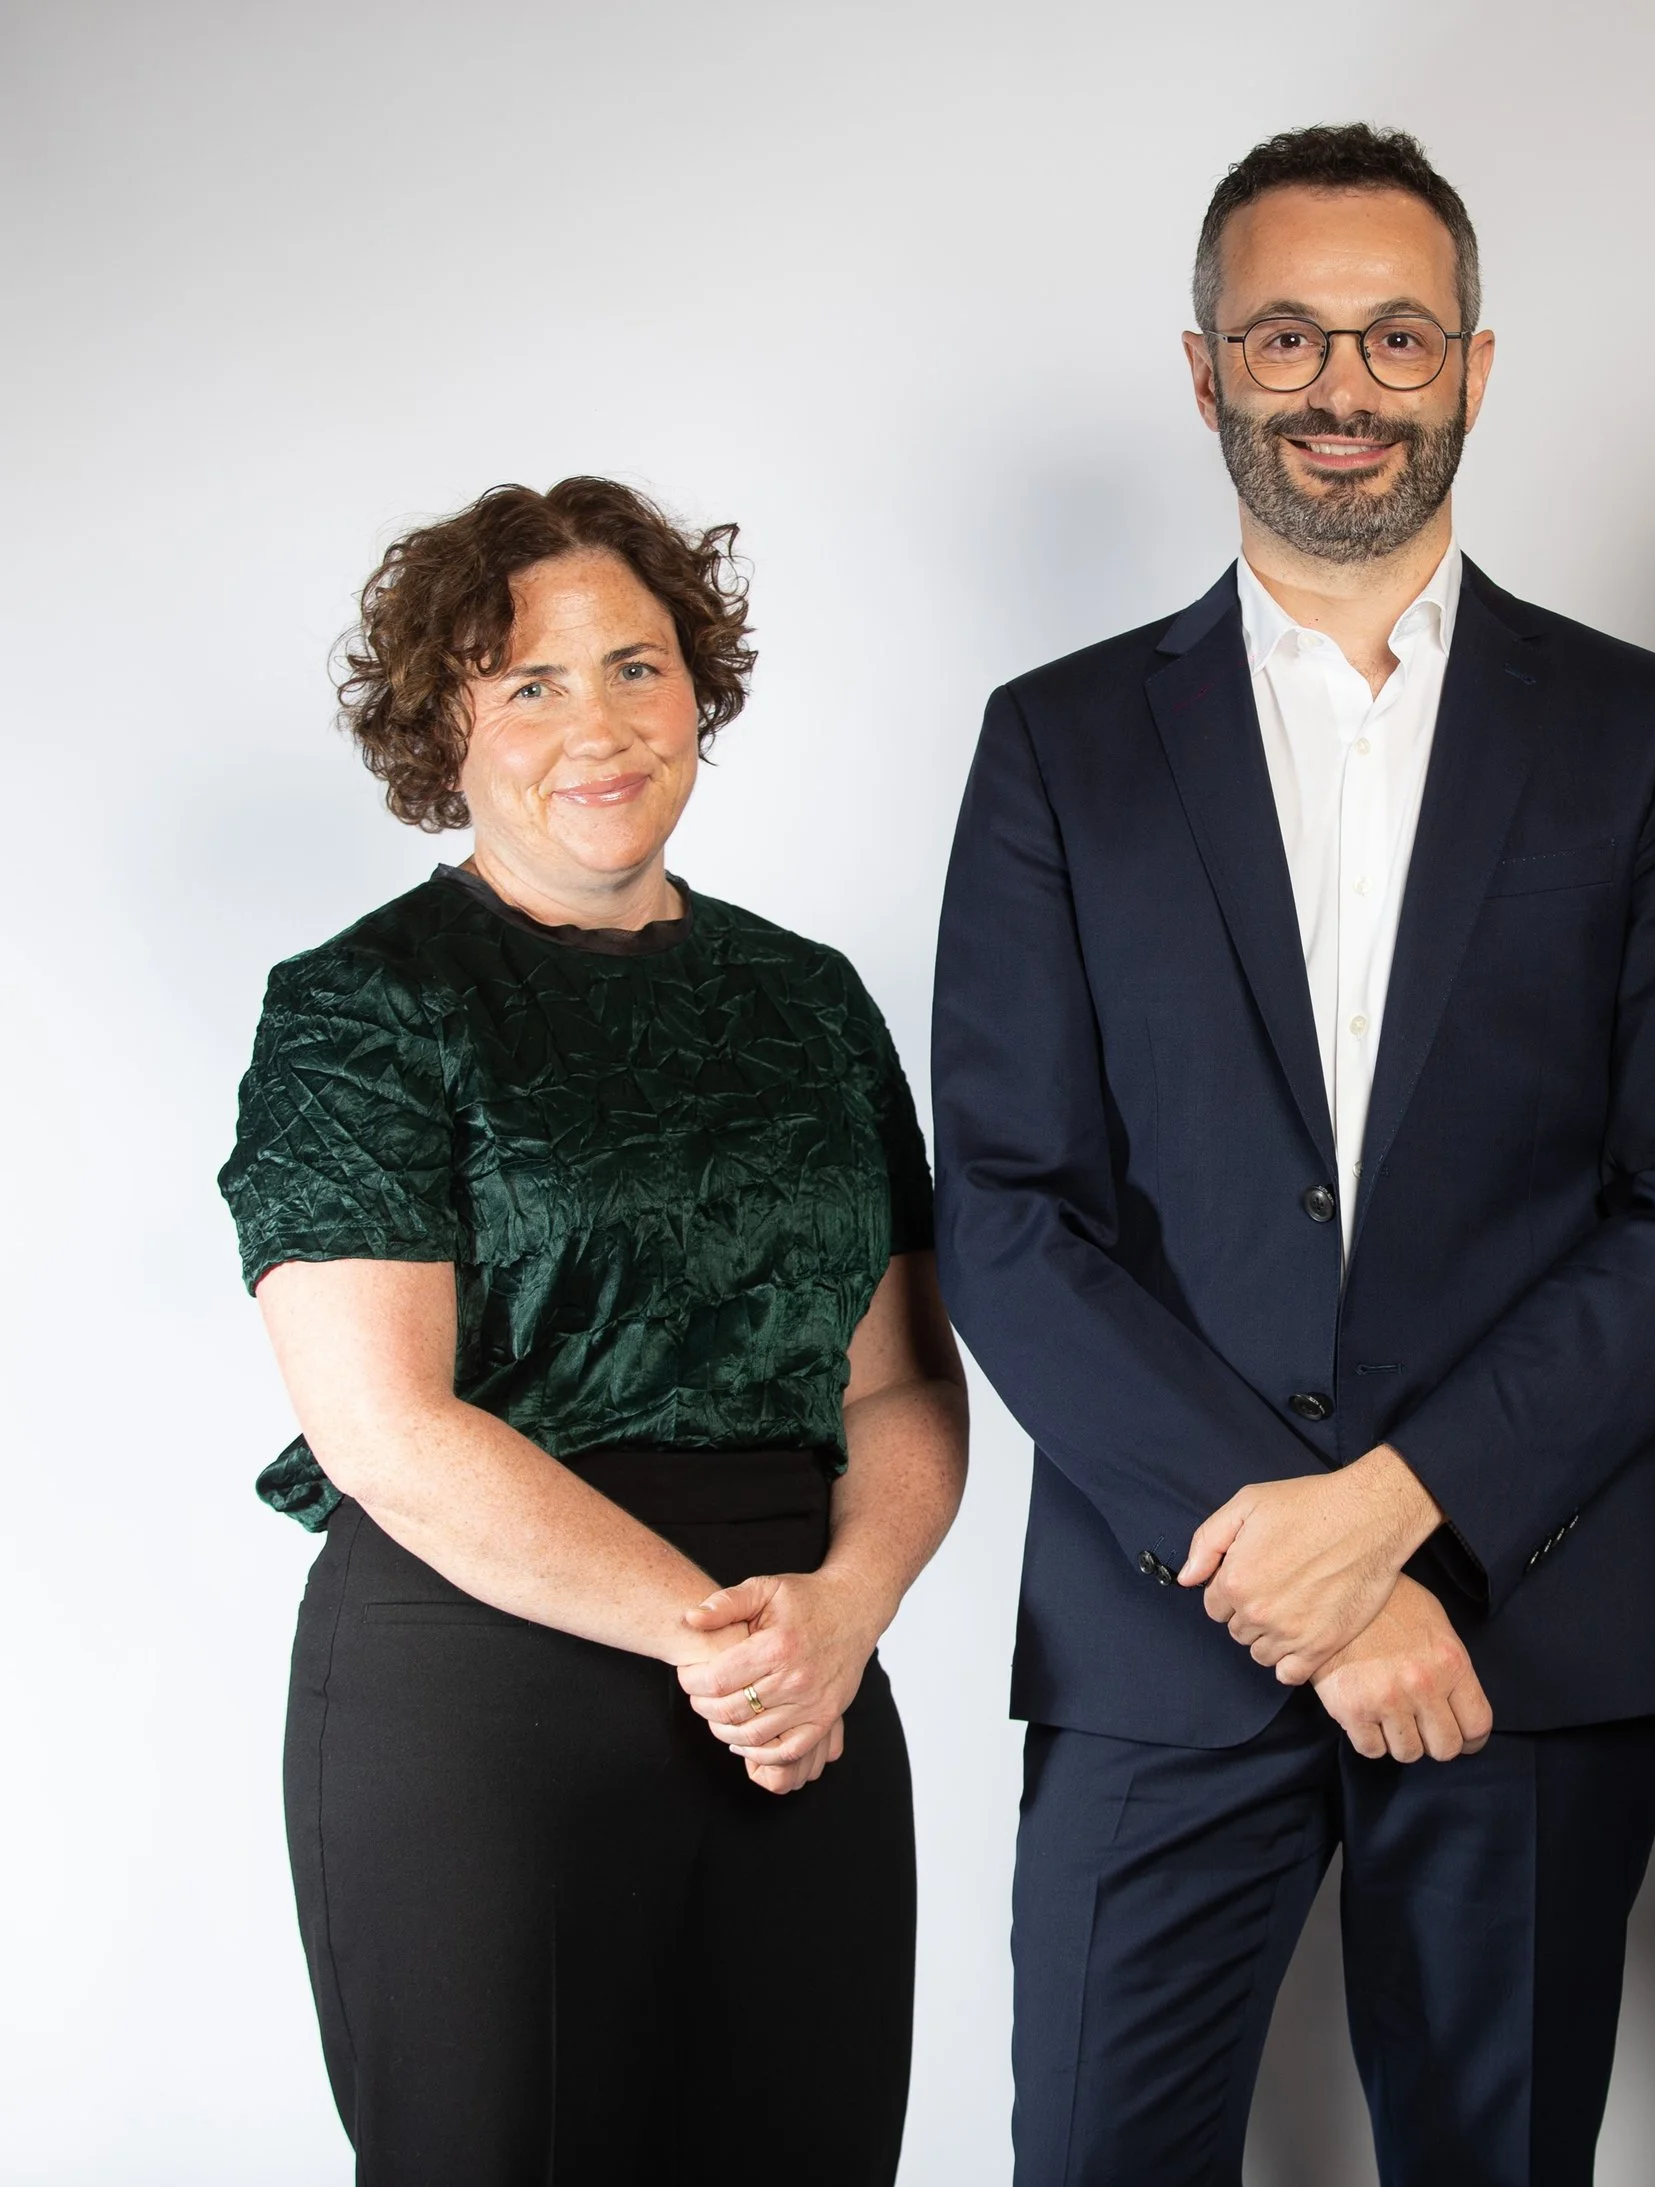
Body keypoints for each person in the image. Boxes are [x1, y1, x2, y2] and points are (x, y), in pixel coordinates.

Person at [933, 125, 1655, 2187]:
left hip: (1525, 1625)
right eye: (1287, 336)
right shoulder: (1056, 741)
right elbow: (1007, 1215)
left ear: (1474, 370)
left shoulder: (1638, 732)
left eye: (1393, 336)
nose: (1340, 384)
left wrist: (1409, 1514)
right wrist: (1297, 1570)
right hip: (1164, 1626)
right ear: (1202, 368)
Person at [218, 477, 966, 2185]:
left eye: (637, 665)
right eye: (529, 683)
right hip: (491, 1691)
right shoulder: (364, 1003)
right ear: (444, 726)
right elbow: (384, 1425)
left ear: (699, 686)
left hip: (810, 1687)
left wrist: (843, 1611)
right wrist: (723, 1641)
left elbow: (904, 1373)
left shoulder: (810, 998)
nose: (598, 724)